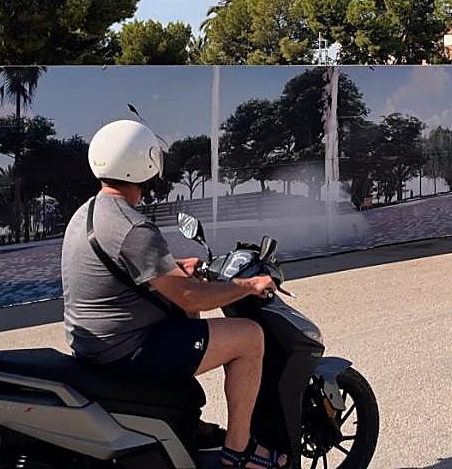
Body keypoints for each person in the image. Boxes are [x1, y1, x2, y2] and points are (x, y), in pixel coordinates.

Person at [61, 119, 286, 469]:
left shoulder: (88, 212)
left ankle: (184, 422)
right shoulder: (133, 226)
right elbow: (190, 298)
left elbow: (119, 267)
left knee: (186, 321)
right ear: (147, 163)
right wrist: (249, 285)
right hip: (126, 350)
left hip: (96, 343)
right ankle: (238, 451)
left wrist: (173, 267)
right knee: (250, 337)